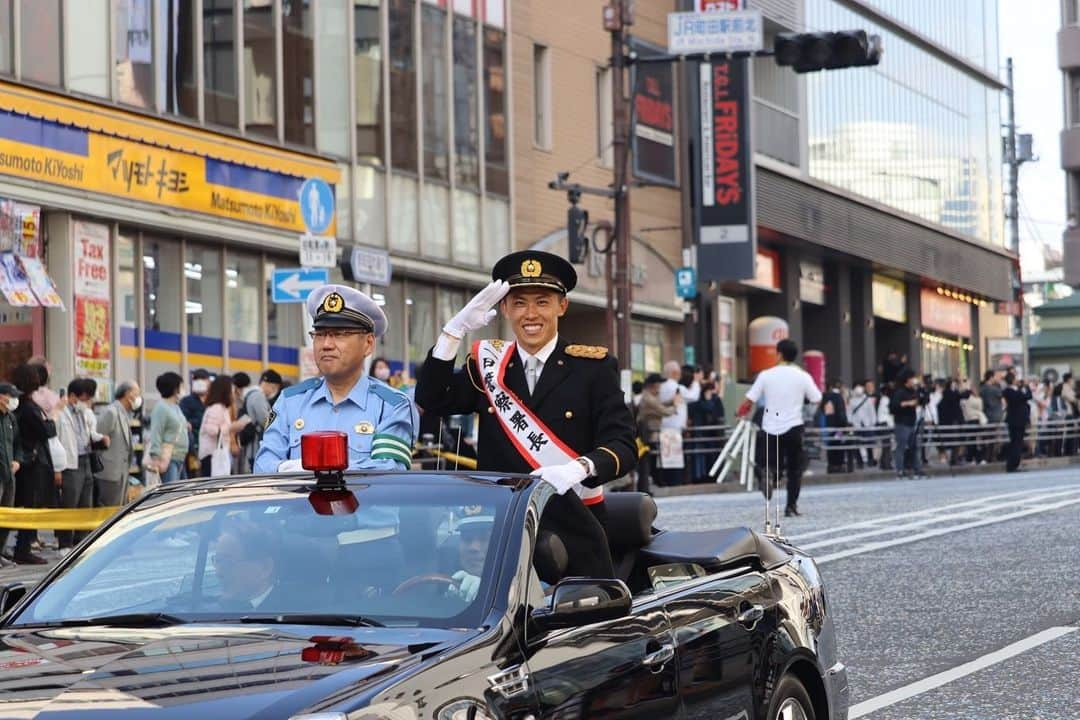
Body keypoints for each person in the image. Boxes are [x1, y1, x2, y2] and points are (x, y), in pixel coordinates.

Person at [415, 250, 637, 579]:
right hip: (503, 526)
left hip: (575, 523)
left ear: (562, 306)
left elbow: (623, 445)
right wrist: (452, 333)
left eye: (542, 302)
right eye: (519, 303)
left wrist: (580, 468)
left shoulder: (592, 367)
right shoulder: (488, 364)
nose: (530, 314)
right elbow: (432, 400)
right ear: (504, 308)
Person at [255, 285, 416, 473]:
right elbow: (262, 465)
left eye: (339, 334)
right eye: (320, 334)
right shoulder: (290, 401)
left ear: (368, 344)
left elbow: (390, 469)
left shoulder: (392, 405)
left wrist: (312, 469)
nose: (326, 344)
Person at [736, 338, 822, 517]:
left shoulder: (766, 375)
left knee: (769, 461)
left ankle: (768, 475)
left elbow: (749, 400)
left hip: (770, 426)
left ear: (779, 353)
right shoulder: (802, 376)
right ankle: (791, 506)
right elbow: (816, 397)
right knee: (794, 469)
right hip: (794, 426)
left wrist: (740, 413)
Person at [8, 364, 57, 564]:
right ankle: (23, 548)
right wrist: (52, 420)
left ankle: (23, 547)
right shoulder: (28, 408)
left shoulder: (20, 405)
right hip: (31, 463)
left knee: (24, 506)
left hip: (24, 463)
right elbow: (46, 431)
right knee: (29, 506)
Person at [210, 520, 286, 612]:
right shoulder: (209, 611)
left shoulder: (295, 611)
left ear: (265, 568)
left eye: (227, 563)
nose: (218, 573)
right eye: (218, 560)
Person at [96, 380, 140, 507]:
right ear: (128, 394)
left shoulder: (123, 413)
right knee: (109, 510)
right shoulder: (111, 412)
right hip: (110, 473)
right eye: (137, 394)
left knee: (119, 509)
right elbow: (97, 440)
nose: (138, 398)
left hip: (122, 473)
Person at [657, 361, 701, 486]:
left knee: (665, 458)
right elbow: (694, 396)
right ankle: (675, 482)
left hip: (664, 426)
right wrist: (696, 381)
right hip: (675, 428)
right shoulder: (677, 388)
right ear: (675, 373)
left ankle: (665, 480)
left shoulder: (662, 387)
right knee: (675, 458)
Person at [200, 376, 252, 477]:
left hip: (216, 454)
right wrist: (231, 428)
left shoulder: (222, 407)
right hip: (212, 455)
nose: (233, 393)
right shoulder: (216, 408)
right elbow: (210, 430)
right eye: (231, 390)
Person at [636, 373, 678, 493]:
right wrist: (675, 405)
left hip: (649, 434)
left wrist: (672, 401)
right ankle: (645, 488)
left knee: (650, 461)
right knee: (646, 463)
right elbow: (663, 411)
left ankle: (648, 486)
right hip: (645, 434)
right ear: (653, 385)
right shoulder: (648, 398)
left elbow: (660, 406)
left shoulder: (650, 396)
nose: (660, 386)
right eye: (659, 384)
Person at [147, 372, 190, 484]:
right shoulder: (161, 407)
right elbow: (156, 432)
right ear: (175, 388)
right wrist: (156, 457)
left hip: (180, 456)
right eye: (181, 386)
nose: (183, 389)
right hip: (168, 458)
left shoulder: (176, 406)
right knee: (171, 493)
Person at [446, 513, 495, 603]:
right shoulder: (440, 584)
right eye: (467, 539)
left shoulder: (511, 590)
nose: (474, 547)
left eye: (484, 538)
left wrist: (486, 592)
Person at [0, 383, 24, 568]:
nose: (14, 400)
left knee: (6, 516)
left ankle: (0, 552)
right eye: (11, 396)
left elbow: (18, 444)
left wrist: (17, 460)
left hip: (10, 476)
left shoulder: (10, 418)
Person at [890, 368, 926, 479]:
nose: (914, 381)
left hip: (912, 422)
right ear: (907, 380)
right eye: (912, 378)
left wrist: (922, 390)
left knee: (914, 447)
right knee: (901, 447)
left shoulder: (914, 391)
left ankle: (917, 469)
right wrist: (908, 403)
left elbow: (923, 401)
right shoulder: (900, 392)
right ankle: (900, 470)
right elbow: (894, 407)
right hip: (902, 423)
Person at [233, 372, 271, 474]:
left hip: (253, 446)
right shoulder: (256, 396)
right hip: (256, 445)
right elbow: (265, 419)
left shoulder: (250, 396)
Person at [688, 381, 725, 484]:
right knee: (710, 457)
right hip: (711, 435)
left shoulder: (702, 401)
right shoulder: (714, 401)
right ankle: (709, 475)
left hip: (705, 435)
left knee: (707, 457)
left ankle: (705, 476)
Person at [180, 369, 211, 477]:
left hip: (209, 447)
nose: (201, 382)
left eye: (203, 380)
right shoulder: (186, 401)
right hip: (192, 447)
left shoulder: (212, 401)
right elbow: (184, 421)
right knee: (193, 475)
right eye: (197, 380)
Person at [1002, 371, 1032, 472]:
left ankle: (1014, 464)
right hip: (1016, 421)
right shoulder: (1009, 391)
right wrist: (1026, 386)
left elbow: (1026, 396)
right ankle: (1012, 465)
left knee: (1017, 443)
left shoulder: (1015, 390)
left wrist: (1023, 387)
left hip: (1018, 420)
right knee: (1016, 443)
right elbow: (1027, 396)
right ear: (1012, 380)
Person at [848, 380, 878, 468]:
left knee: (869, 443)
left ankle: (870, 460)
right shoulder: (852, 401)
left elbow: (872, 412)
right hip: (857, 425)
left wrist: (873, 423)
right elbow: (849, 413)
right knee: (857, 444)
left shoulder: (867, 400)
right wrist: (851, 423)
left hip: (866, 424)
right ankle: (859, 462)